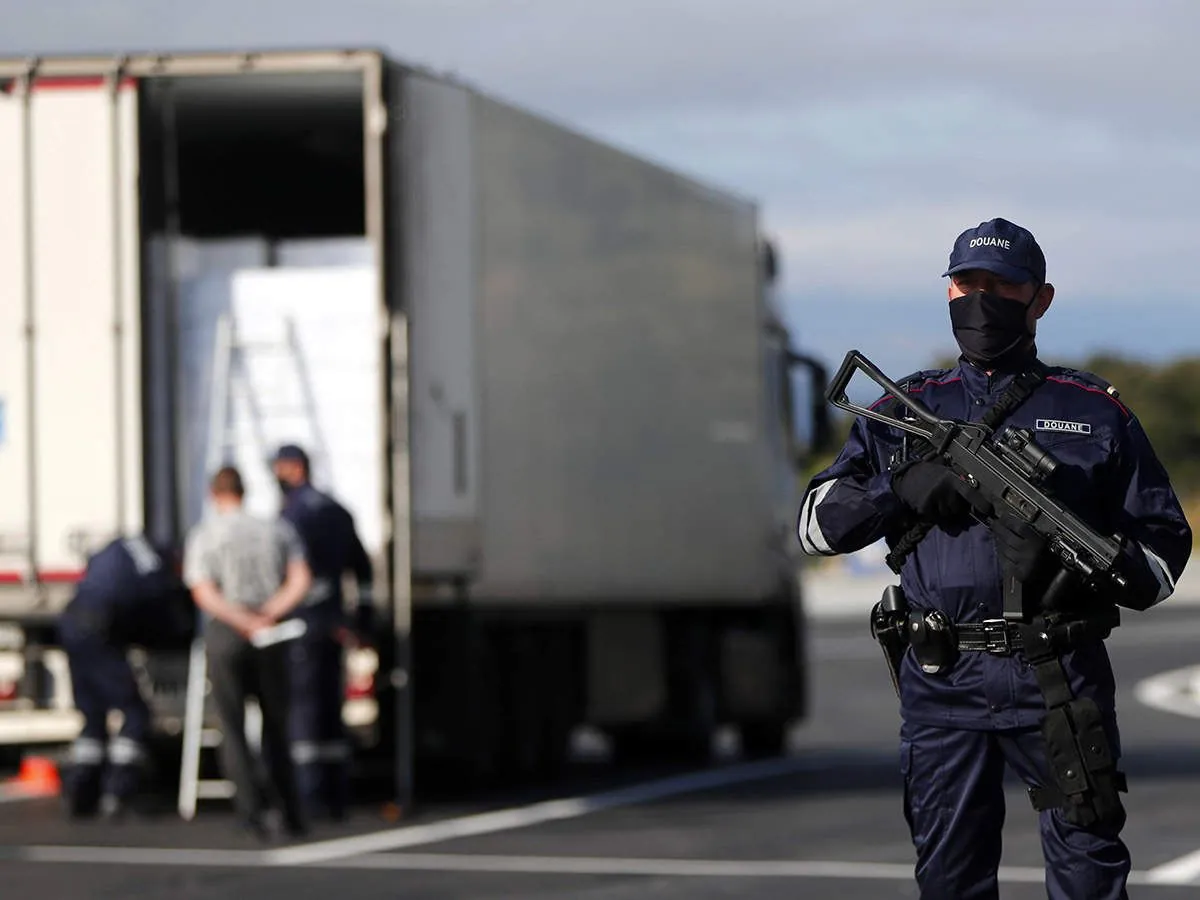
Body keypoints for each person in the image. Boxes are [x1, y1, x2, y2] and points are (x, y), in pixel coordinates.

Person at [796, 217, 1192, 899]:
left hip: (1059, 674)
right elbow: (815, 531)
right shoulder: (905, 407)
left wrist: (1077, 567)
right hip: (943, 676)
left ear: (1040, 299)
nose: (982, 299)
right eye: (967, 283)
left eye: (1003, 286)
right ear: (948, 291)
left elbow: (1160, 554)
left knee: (1090, 872)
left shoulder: (1096, 413)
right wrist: (904, 487)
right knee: (950, 878)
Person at [183, 465, 313, 840]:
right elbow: (301, 578)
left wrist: (240, 619)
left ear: (214, 495)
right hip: (272, 628)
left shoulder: (207, 535)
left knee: (232, 725)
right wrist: (270, 612)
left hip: (229, 629)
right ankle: (290, 811)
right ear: (243, 491)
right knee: (276, 724)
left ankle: (251, 812)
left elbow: (204, 592)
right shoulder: (276, 528)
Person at [270, 443, 374, 822]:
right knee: (331, 709)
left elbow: (286, 570)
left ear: (294, 468)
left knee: (305, 712)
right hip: (334, 626)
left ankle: (309, 794)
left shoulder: (292, 515)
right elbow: (362, 573)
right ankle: (337, 794)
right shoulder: (337, 511)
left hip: (301, 623)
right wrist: (362, 621)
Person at [57, 534, 195, 819]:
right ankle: (118, 791)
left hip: (71, 623)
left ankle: (81, 793)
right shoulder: (157, 571)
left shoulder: (123, 544)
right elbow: (165, 619)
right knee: (135, 713)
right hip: (100, 630)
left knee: (93, 714)